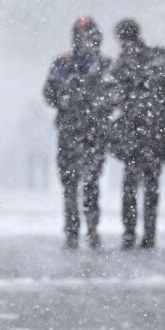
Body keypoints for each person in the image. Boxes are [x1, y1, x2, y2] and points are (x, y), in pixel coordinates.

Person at [110, 19, 165, 250]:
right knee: (151, 182)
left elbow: (110, 97)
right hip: (157, 130)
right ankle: (149, 231)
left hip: (134, 131)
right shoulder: (161, 57)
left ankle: (130, 231)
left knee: (131, 183)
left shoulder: (122, 65)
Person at [43, 16, 114, 249]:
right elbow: (50, 94)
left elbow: (115, 95)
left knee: (89, 181)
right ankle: (76, 229)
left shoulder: (102, 65)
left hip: (88, 130)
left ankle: (88, 228)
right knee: (74, 182)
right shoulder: (64, 64)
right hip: (75, 130)